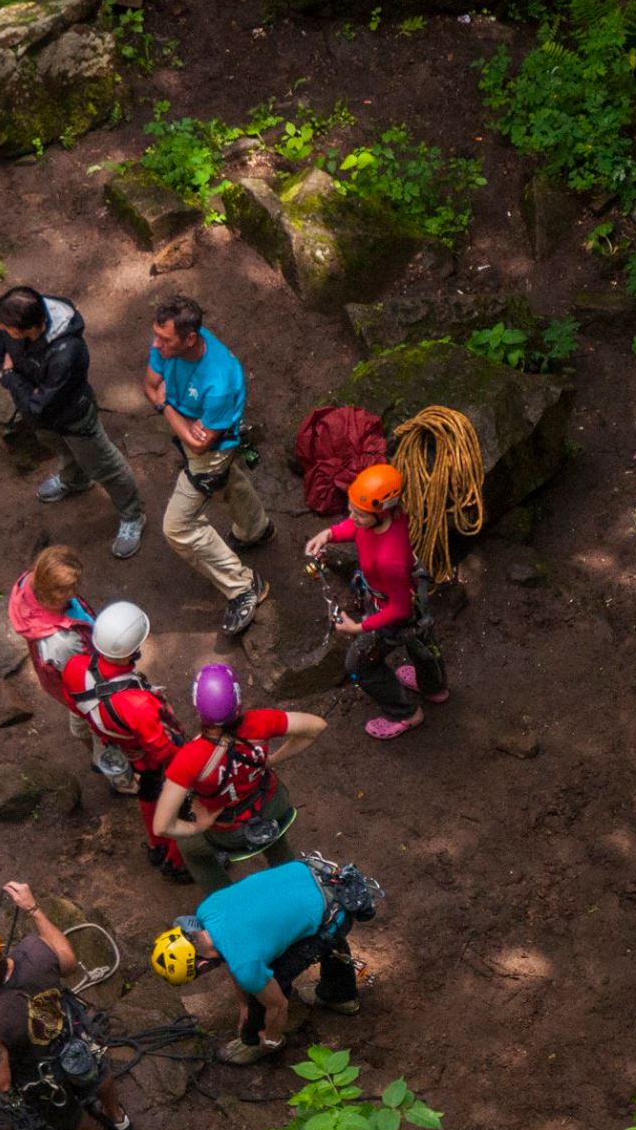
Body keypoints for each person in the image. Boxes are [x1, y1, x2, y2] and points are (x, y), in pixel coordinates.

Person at [0, 881, 133, 1130]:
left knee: (67, 1115)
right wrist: (33, 909)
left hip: (41, 1076)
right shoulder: (34, 951)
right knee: (98, 1073)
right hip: (73, 1037)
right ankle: (117, 1118)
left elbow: (0, 1083)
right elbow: (68, 963)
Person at [150, 858, 372, 1065]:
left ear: (202, 966)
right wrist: (242, 1004)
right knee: (266, 970)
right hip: (320, 880)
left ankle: (253, 1041)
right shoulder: (207, 911)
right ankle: (340, 995)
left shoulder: (245, 964)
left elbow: (277, 1004)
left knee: (267, 987)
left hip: (332, 914)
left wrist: (273, 1038)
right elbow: (234, 958)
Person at [144, 294, 272, 636]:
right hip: (196, 435)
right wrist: (182, 423)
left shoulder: (221, 381)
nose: (156, 344)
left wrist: (165, 407)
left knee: (179, 528)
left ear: (190, 338)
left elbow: (201, 442)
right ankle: (257, 528)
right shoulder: (167, 340)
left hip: (212, 451)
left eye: (165, 340)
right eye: (156, 336)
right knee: (228, 479)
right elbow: (150, 385)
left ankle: (244, 586)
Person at [0, 286, 144, 560]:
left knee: (104, 464)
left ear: (29, 327)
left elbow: (40, 401)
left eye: (7, 327)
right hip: (42, 418)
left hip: (73, 417)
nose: (1, 329)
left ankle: (133, 515)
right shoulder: (9, 324)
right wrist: (21, 385)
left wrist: (12, 377)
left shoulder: (67, 352)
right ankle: (75, 480)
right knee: (60, 448)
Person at [304, 464, 448, 741]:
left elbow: (399, 609)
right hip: (411, 596)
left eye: (359, 513)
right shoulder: (391, 518)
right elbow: (357, 530)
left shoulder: (389, 559)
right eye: (352, 510)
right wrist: (329, 534)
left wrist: (359, 628)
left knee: (359, 665)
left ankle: (404, 713)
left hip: (394, 610)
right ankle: (434, 688)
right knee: (422, 642)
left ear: (380, 512)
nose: (353, 517)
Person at [152, 664, 327, 891]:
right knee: (273, 830)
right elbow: (316, 726)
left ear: (197, 707)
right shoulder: (259, 722)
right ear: (237, 700)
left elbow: (161, 826)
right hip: (274, 806)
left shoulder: (188, 759)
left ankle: (226, 900)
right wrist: (273, 759)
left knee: (190, 848)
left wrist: (199, 827)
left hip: (230, 832)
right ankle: (292, 883)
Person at [61, 601, 191, 883]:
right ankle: (176, 862)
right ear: (131, 650)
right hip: (149, 755)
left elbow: (74, 704)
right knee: (181, 805)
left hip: (124, 748)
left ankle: (156, 846)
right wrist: (185, 768)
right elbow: (161, 748)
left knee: (148, 793)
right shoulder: (137, 703)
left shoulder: (75, 667)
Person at [7, 546, 137, 795]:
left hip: (67, 689)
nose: (76, 593)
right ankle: (120, 781)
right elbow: (86, 686)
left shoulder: (29, 582)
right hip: (87, 693)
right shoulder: (62, 643)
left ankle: (94, 755)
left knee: (78, 721)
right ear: (52, 593)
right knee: (105, 734)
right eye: (69, 589)